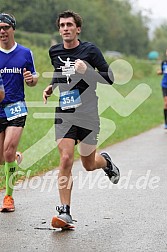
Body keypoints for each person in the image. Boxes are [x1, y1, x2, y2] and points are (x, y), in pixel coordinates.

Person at [43, 10, 120, 229]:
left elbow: (110, 78)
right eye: (62, 25)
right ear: (59, 29)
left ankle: (105, 162)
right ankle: (65, 212)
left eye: (69, 25)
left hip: (88, 113)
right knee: (66, 158)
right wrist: (52, 86)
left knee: (88, 163)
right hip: (64, 112)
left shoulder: (90, 50)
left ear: (78, 29)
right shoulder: (54, 51)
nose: (65, 28)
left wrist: (87, 71)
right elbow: (59, 72)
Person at [0, 13, 38, 212]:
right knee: (2, 158)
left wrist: (31, 80)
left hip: (16, 106)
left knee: (8, 149)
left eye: (6, 27)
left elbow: (34, 77)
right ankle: (15, 157)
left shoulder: (25, 53)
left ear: (13, 29)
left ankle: (8, 197)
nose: (2, 31)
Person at [157, 49, 167, 129]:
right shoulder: (164, 62)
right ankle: (166, 123)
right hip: (165, 85)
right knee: (166, 103)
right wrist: (159, 72)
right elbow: (163, 71)